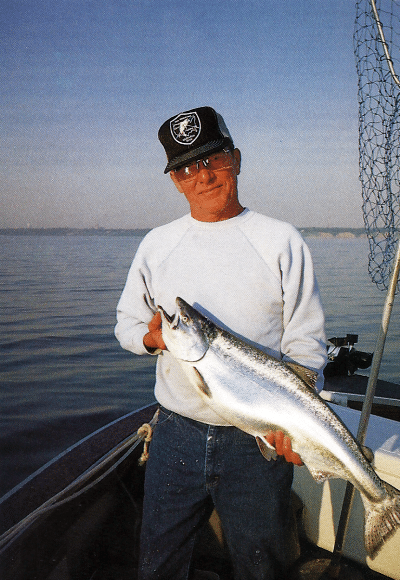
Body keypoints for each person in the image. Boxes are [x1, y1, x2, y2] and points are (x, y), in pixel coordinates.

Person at [115, 106, 327, 580]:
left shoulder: (281, 240)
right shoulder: (156, 244)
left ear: (236, 158)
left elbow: (307, 345)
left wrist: (292, 423)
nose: (203, 176)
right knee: (158, 563)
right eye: (187, 167)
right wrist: (151, 339)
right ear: (175, 181)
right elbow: (127, 325)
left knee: (263, 567)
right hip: (175, 434)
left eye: (214, 159)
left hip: (258, 443)